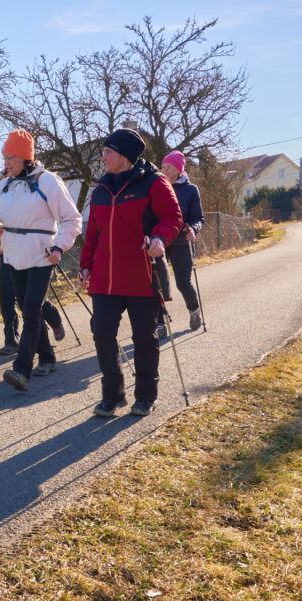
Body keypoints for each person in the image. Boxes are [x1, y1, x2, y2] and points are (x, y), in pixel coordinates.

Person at [0, 130, 81, 391]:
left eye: (10, 157)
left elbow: (72, 219)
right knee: (29, 309)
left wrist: (59, 247)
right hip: (12, 256)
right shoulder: (3, 185)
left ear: (26, 157)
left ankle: (22, 369)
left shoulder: (48, 181)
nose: (5, 163)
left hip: (41, 254)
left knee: (30, 310)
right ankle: (48, 357)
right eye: (4, 157)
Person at [78, 128, 182, 417]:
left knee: (144, 337)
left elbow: (172, 217)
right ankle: (112, 395)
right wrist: (85, 265)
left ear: (124, 156)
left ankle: (146, 396)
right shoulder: (100, 190)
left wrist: (160, 237)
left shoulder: (153, 183)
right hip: (104, 277)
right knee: (102, 332)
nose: (103, 157)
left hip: (141, 273)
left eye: (108, 152)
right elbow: (92, 235)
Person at [0, 238, 66, 356]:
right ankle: (11, 340)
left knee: (30, 296)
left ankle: (54, 319)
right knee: (6, 296)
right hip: (8, 253)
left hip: (31, 252)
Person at [160, 150, 204, 331]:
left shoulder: (190, 190)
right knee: (157, 285)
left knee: (182, 282)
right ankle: (160, 322)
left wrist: (193, 230)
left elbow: (198, 218)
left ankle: (193, 310)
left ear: (179, 169)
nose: (164, 170)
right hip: (160, 241)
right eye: (162, 166)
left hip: (181, 241)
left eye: (168, 166)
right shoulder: (158, 187)